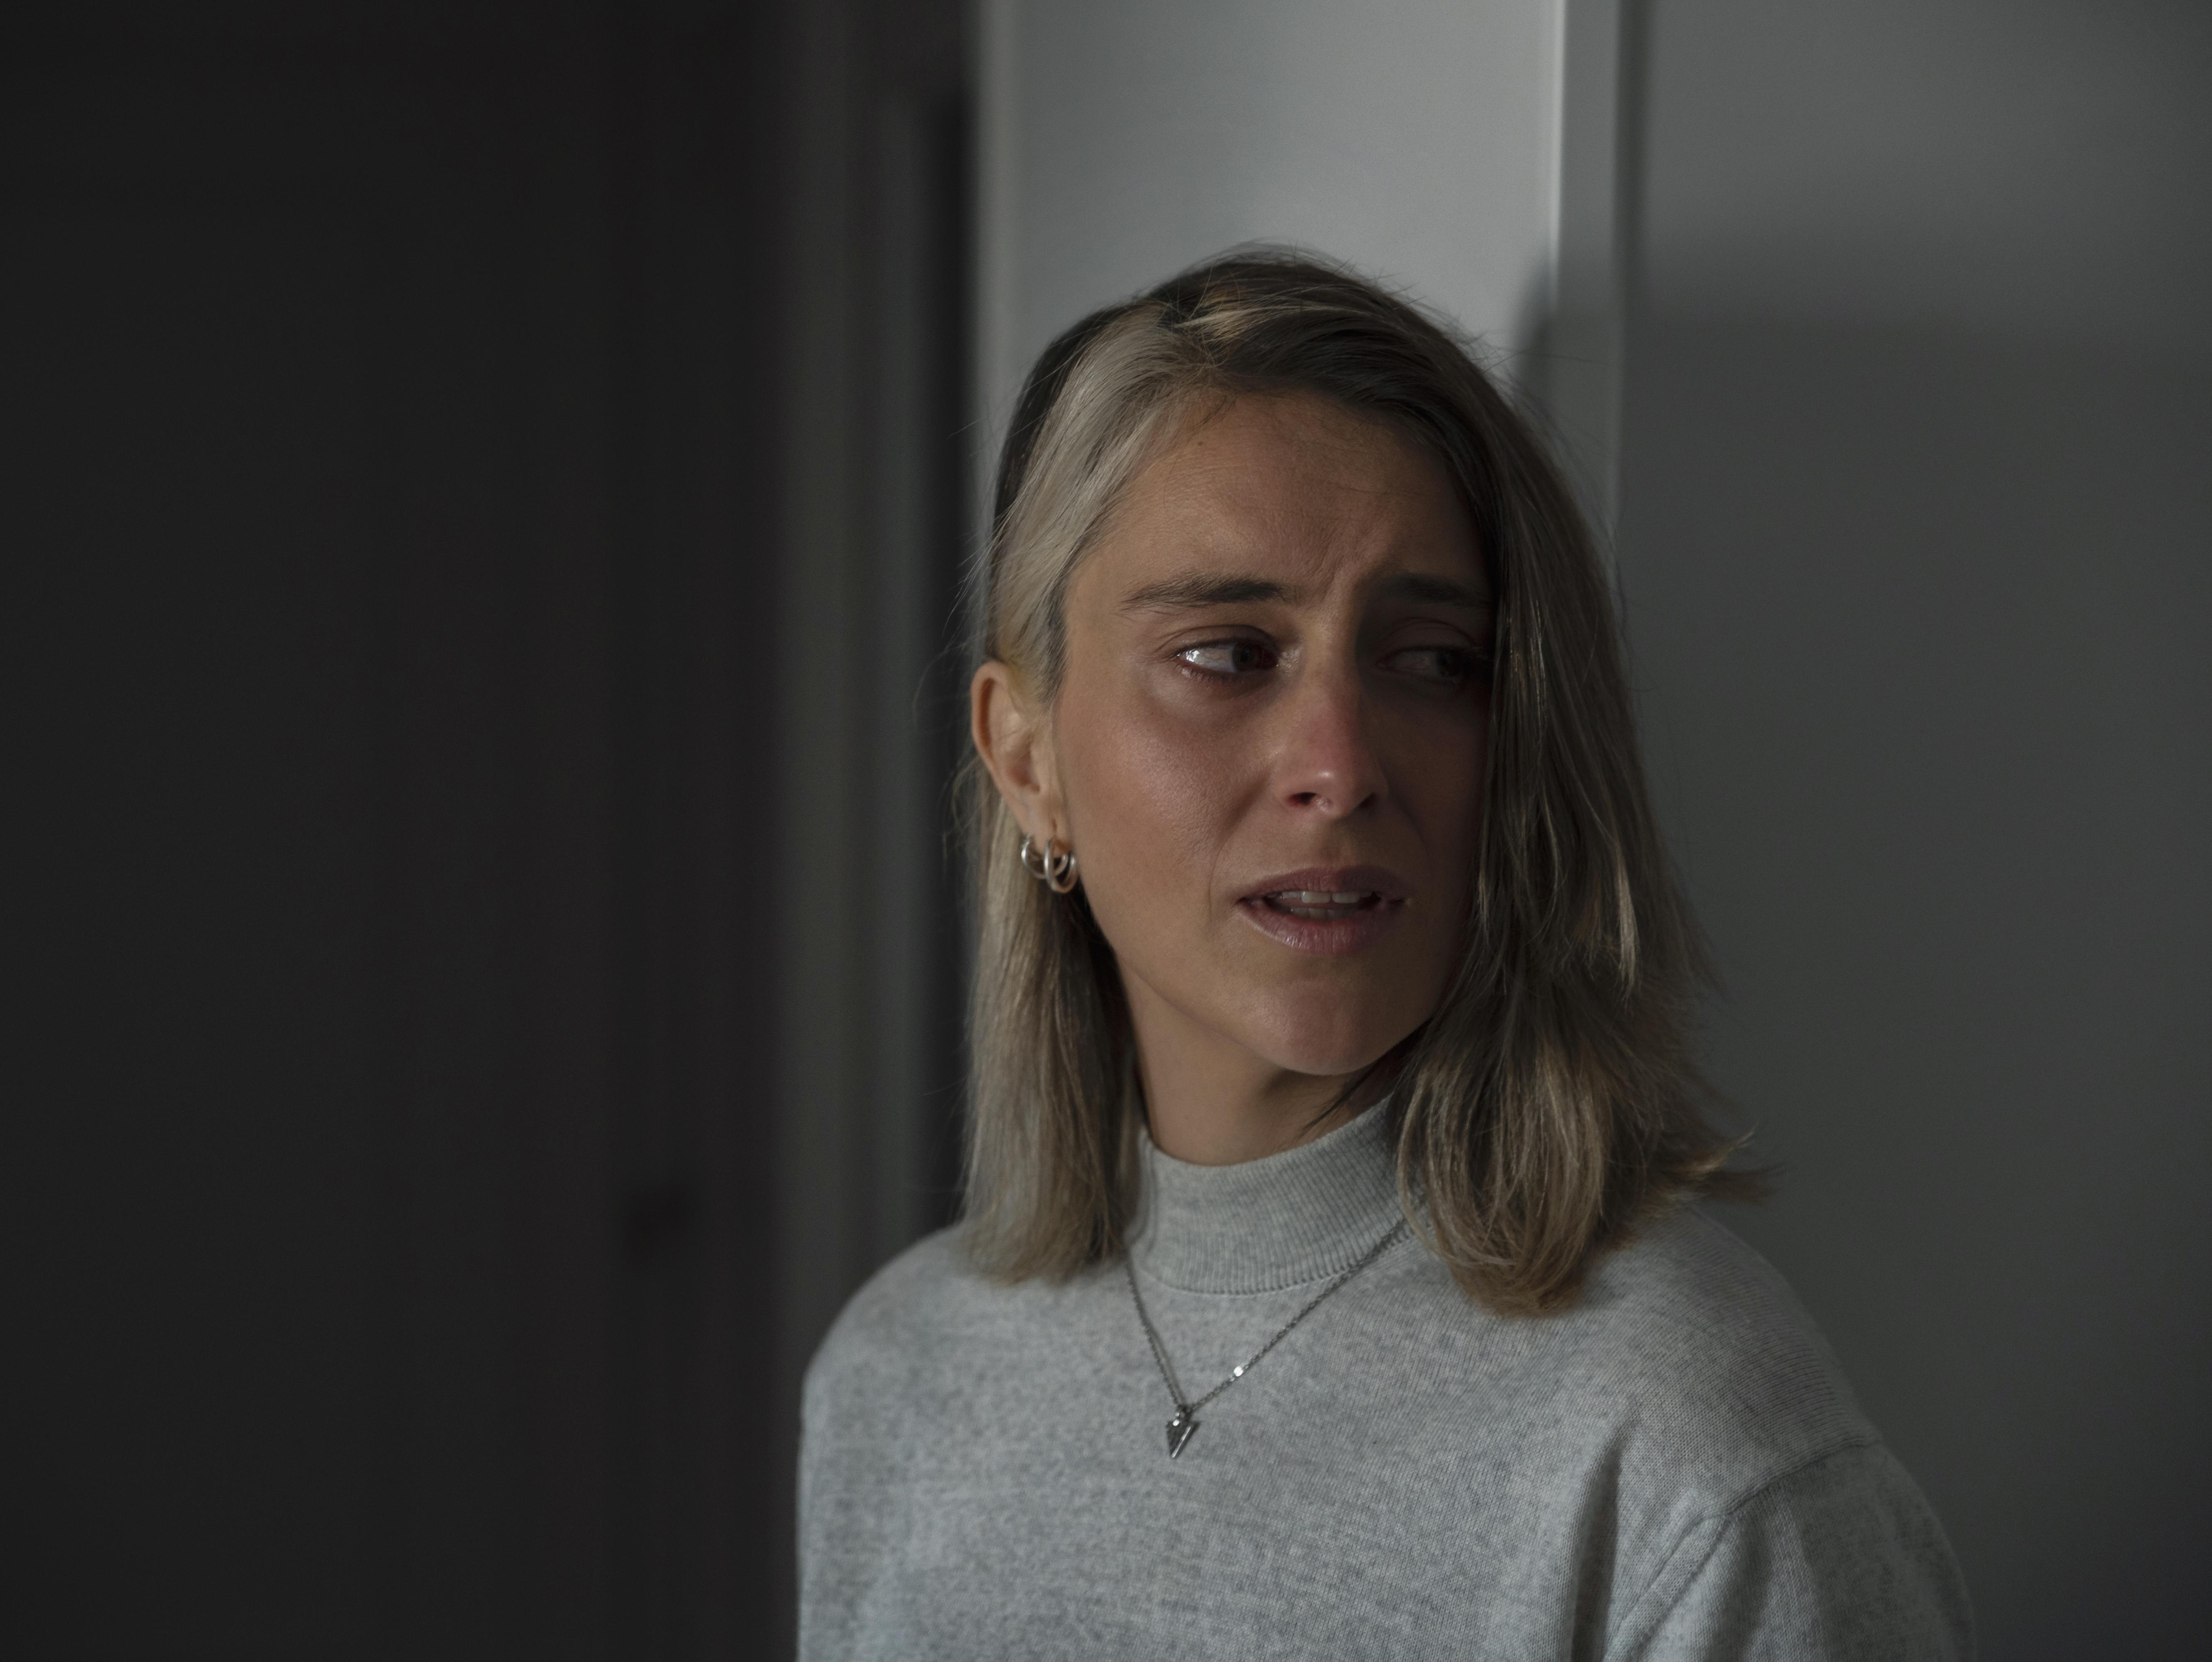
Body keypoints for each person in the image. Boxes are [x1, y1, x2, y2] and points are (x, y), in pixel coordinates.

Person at [797, 252, 1972, 1659]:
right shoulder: (895, 1380)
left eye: (1432, 661)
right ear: (1027, 760)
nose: (1342, 766)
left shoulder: (1689, 1456)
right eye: (1229, 654)